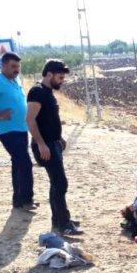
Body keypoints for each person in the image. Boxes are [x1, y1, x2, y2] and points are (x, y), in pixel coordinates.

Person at [26, 59, 83, 236]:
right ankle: (64, 224)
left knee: (57, 184)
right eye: (59, 77)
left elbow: (48, 120)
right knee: (60, 183)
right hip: (45, 146)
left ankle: (59, 219)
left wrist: (59, 137)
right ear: (49, 74)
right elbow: (30, 120)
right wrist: (41, 144)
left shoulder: (47, 92)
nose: (62, 81)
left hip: (53, 143)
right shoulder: (37, 92)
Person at [0, 52, 36, 211]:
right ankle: (27, 200)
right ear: (3, 65)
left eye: (18, 66)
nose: (16, 69)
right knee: (25, 163)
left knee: (17, 164)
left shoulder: (14, 80)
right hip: (8, 130)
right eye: (13, 66)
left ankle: (18, 200)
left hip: (21, 128)